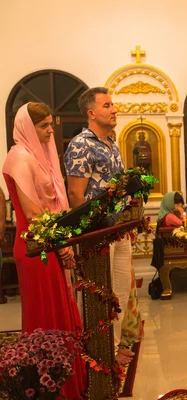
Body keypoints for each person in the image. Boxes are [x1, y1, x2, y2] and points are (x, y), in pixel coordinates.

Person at [2, 102, 86, 398]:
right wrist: (63, 245)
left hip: (50, 243)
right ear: (27, 127)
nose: (51, 131)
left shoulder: (39, 157)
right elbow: (34, 213)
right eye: (44, 126)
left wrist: (63, 243)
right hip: (35, 248)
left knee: (60, 313)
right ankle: (49, 388)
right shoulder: (19, 157)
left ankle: (67, 381)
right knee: (45, 319)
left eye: (51, 124)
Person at [64, 87, 139, 365]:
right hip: (98, 233)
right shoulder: (81, 144)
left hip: (118, 229)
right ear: (92, 112)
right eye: (107, 105)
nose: (114, 109)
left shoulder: (111, 142)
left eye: (113, 105)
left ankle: (115, 346)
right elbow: (75, 194)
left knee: (118, 291)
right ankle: (96, 354)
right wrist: (88, 231)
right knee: (97, 295)